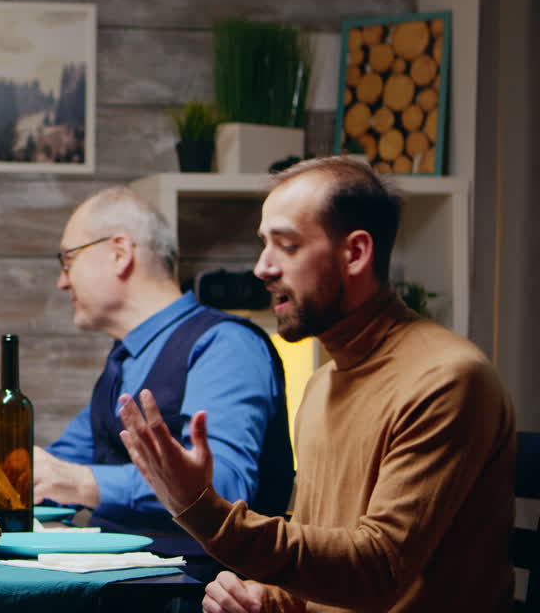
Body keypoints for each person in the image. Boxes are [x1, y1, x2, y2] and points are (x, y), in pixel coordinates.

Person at [117, 157, 515, 612]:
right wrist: (266, 600)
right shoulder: (323, 382)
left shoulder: (448, 380)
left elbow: (378, 571)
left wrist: (206, 512)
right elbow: (327, 566)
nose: (262, 268)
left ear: (356, 253)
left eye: (286, 245)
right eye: (264, 244)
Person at [36, 186, 293, 556]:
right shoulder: (125, 358)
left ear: (119, 253)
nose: (62, 281)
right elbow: (60, 465)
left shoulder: (226, 345)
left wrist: (84, 484)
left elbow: (226, 486)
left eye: (68, 261)